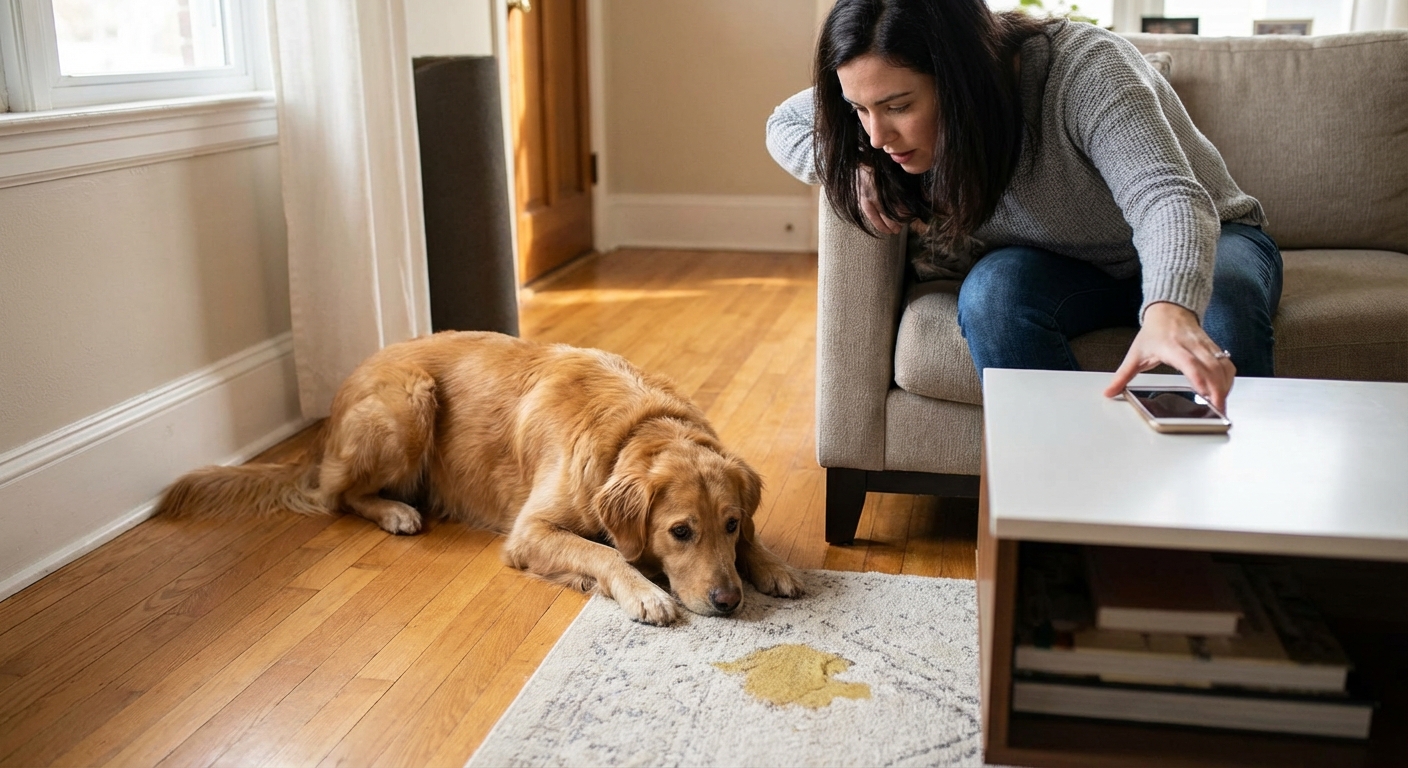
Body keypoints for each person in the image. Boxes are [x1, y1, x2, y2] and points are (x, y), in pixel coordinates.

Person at [765, 0, 1282, 414]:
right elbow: (782, 125)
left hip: (1217, 234)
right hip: (1067, 265)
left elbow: (1167, 196)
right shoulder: (876, 102)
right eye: (860, 110)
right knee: (993, 295)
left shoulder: (1085, 68)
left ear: (964, 80)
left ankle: (1245, 525)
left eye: (899, 107)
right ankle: (1067, 511)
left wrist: (1172, 308)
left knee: (1224, 299)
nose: (877, 135)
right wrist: (852, 166)